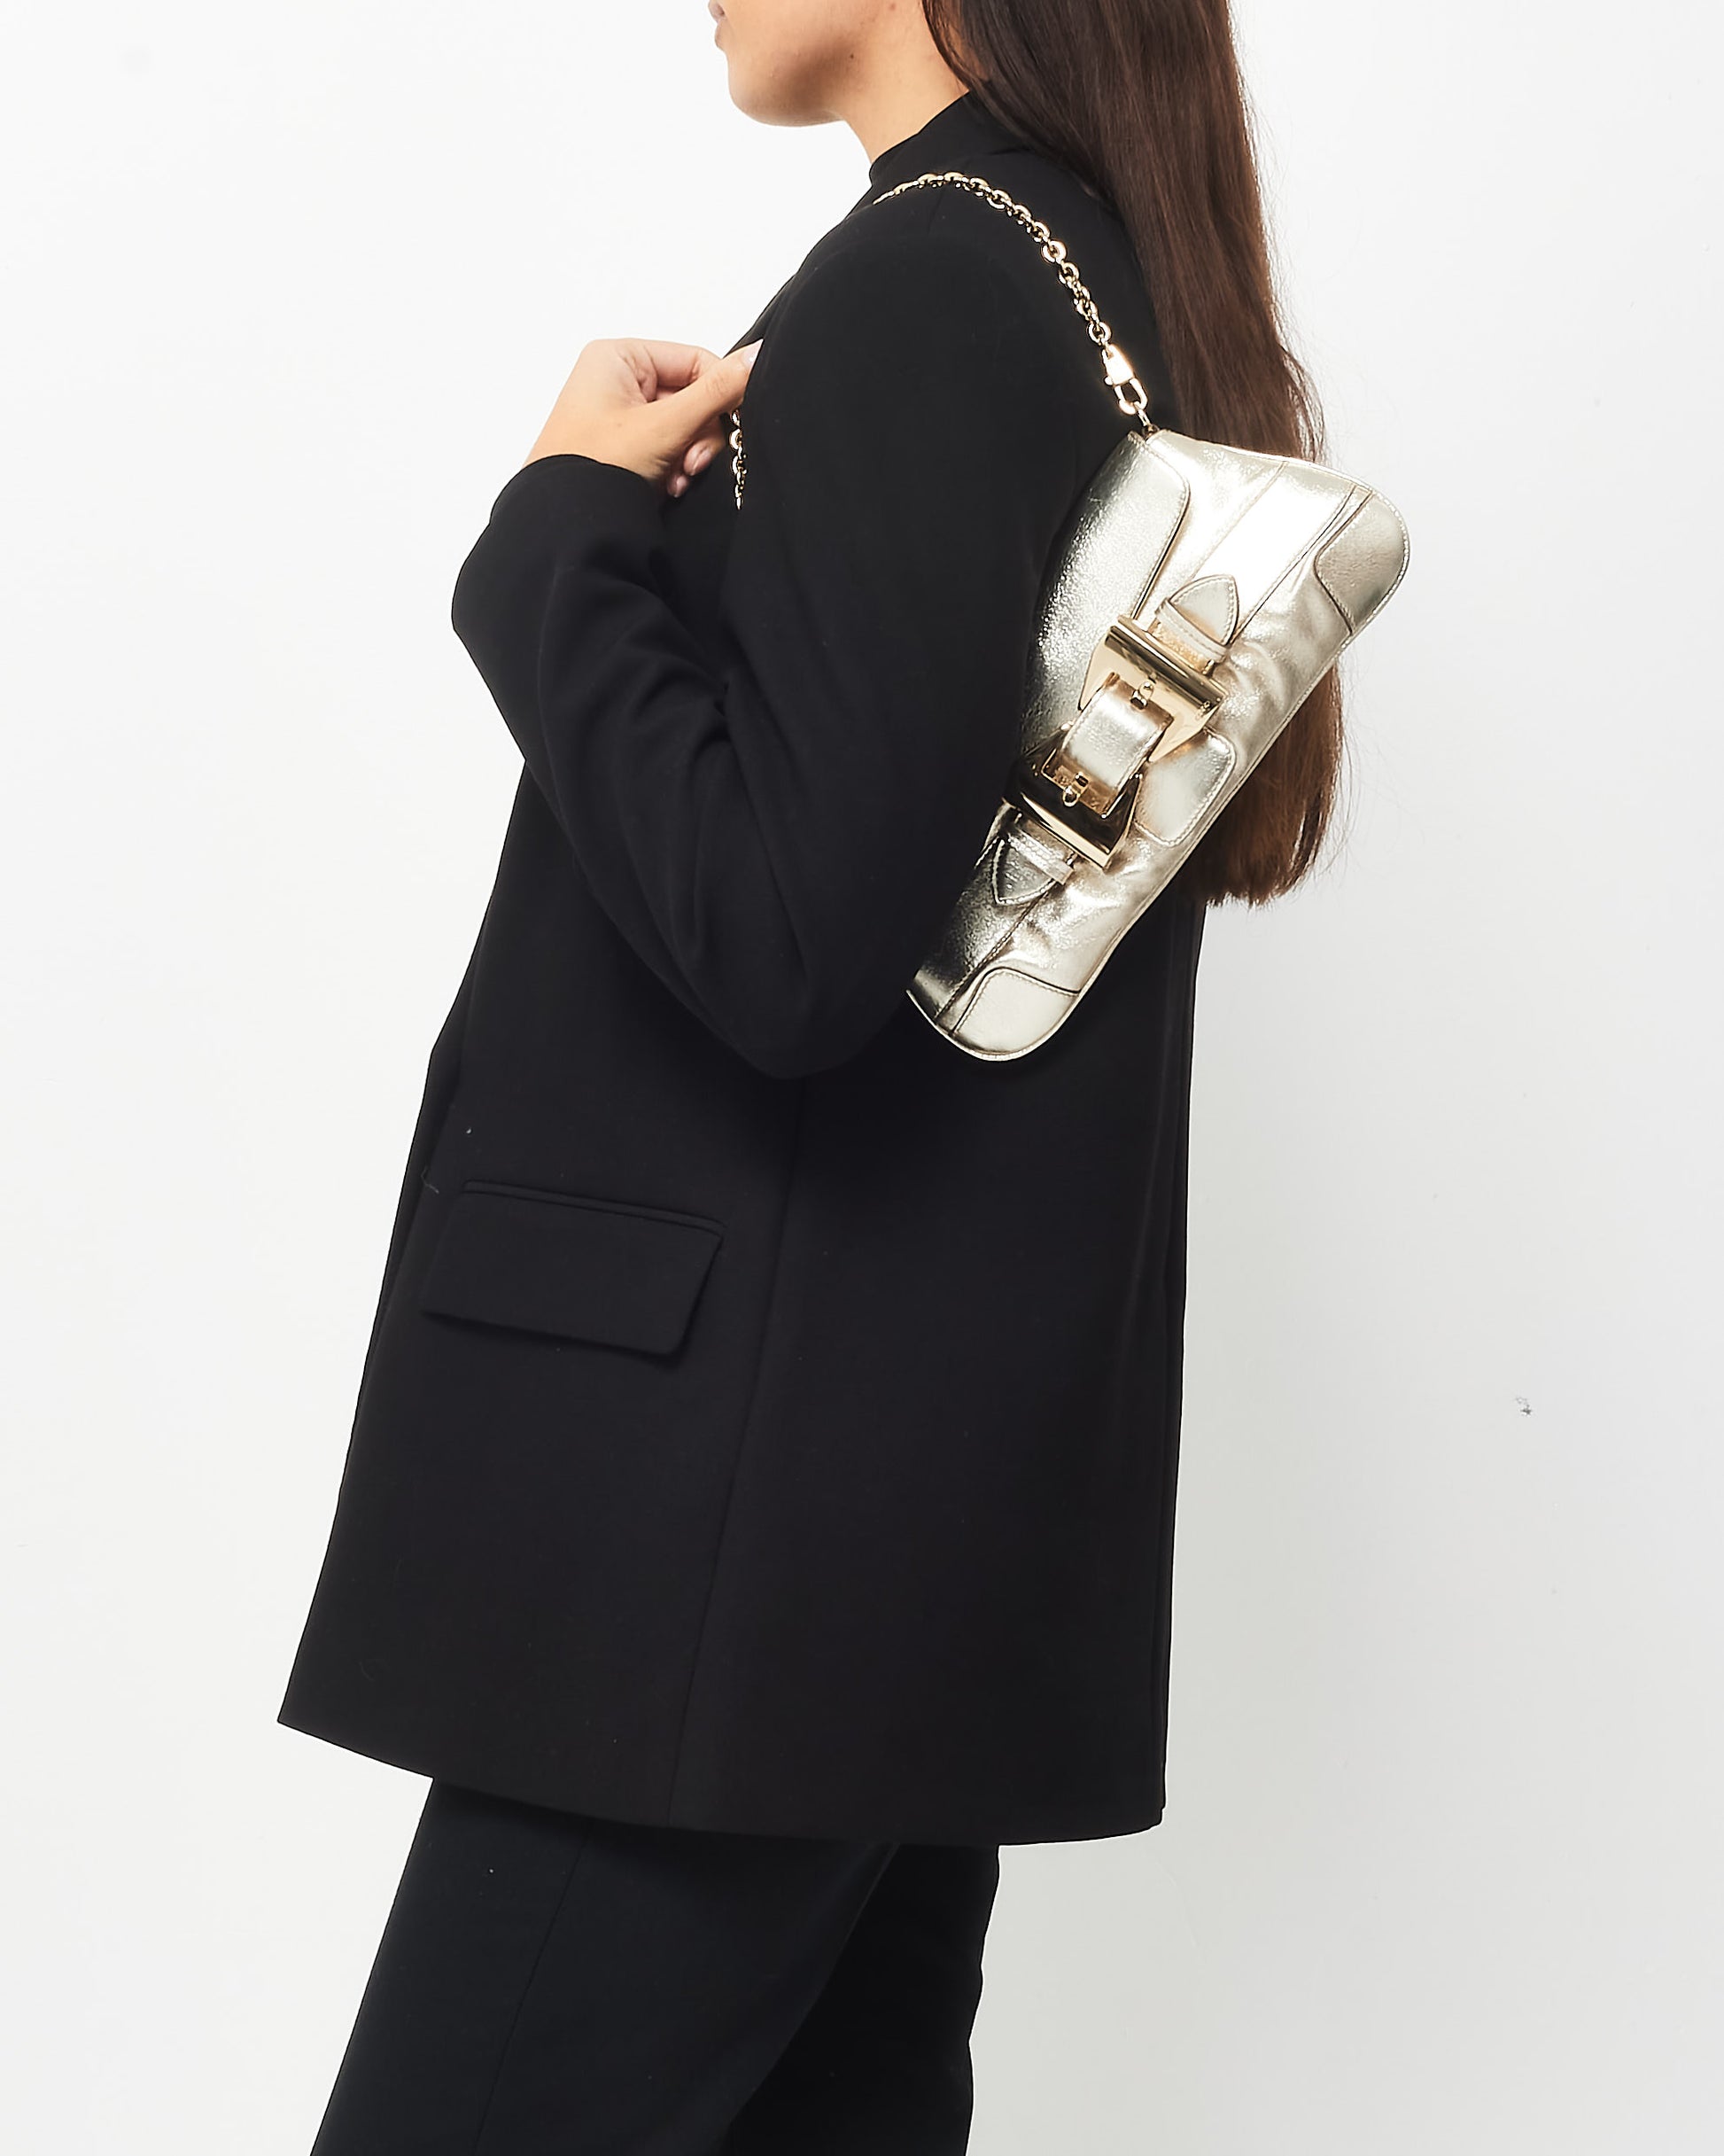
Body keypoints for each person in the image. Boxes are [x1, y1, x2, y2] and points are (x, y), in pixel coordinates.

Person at [279, 2, 1342, 2148]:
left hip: (714, 1560)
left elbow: (787, 941)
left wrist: (556, 536)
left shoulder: (932, 283)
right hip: (873, 1545)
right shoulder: (1086, 275)